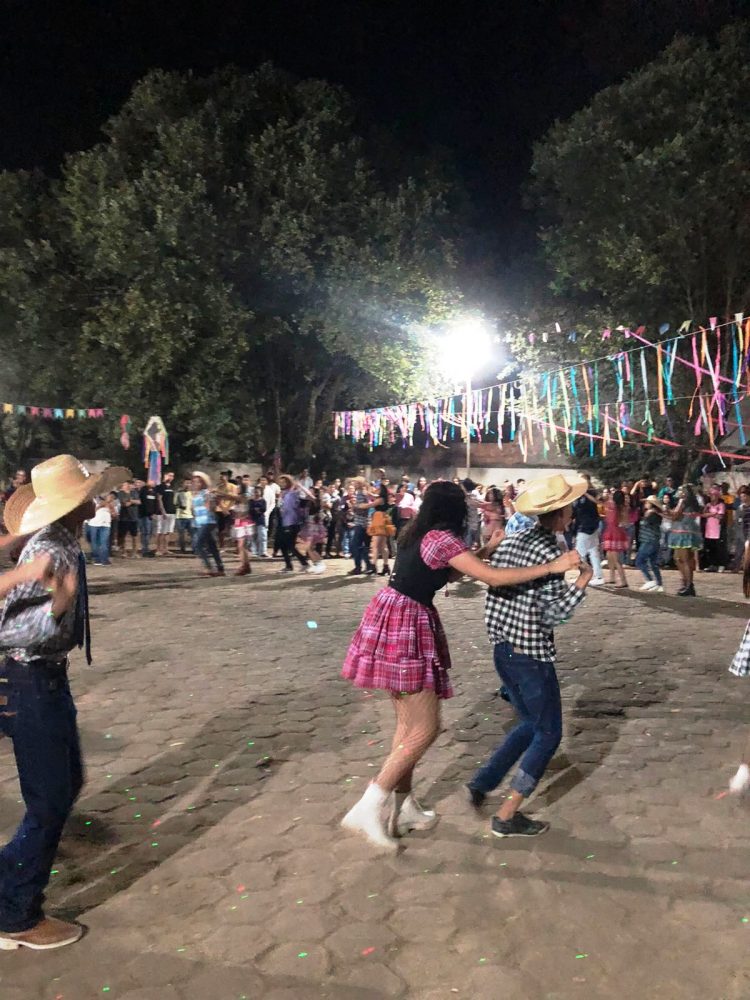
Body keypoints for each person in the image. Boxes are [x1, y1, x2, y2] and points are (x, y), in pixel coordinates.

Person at [339, 480, 581, 850]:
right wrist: (553, 566)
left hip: (395, 614)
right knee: (426, 729)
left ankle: (404, 806)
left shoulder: (420, 533)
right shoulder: (441, 539)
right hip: (406, 622)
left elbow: (453, 572)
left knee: (407, 726)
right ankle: (370, 804)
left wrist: (486, 550)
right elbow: (493, 578)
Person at [0, 454, 127, 950]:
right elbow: (10, 629)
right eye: (86, 493)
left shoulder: (54, 542)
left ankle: (13, 879)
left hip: (37, 680)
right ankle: (16, 913)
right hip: (30, 679)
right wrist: (57, 606)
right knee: (51, 797)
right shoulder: (56, 550)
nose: (95, 500)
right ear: (69, 506)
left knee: (65, 782)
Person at [466, 474, 591, 839]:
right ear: (564, 512)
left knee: (528, 723)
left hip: (503, 650)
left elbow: (490, 582)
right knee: (549, 733)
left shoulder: (513, 540)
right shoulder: (552, 553)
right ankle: (507, 815)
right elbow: (554, 615)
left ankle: (483, 782)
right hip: (531, 655)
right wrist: (582, 582)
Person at [668, 484, 703, 597]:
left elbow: (675, 515)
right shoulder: (690, 503)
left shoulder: (683, 501)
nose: (678, 492)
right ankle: (686, 583)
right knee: (679, 558)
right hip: (685, 531)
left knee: (684, 559)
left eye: (680, 490)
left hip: (683, 532)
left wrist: (664, 509)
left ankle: (688, 585)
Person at [190, 472, 225, 577]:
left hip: (208, 521)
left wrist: (209, 504)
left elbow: (211, 505)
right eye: (195, 482)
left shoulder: (205, 492)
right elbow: (193, 509)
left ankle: (208, 567)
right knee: (212, 546)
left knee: (198, 544)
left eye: (198, 482)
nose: (196, 484)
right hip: (200, 522)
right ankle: (220, 568)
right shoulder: (194, 494)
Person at [277, 475, 311, 573]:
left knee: (290, 545)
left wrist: (299, 486)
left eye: (284, 482)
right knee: (283, 545)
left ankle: (304, 563)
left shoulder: (293, 493)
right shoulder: (284, 493)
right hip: (284, 521)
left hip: (292, 522)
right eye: (281, 482)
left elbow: (304, 499)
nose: (282, 484)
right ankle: (289, 566)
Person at [572, 487, 605, 586]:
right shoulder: (581, 498)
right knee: (593, 553)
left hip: (585, 529)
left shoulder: (587, 497)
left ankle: (584, 576)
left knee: (580, 554)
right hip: (590, 528)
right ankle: (598, 576)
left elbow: (577, 515)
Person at [601, 489, 629, 587]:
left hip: (613, 533)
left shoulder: (612, 506)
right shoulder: (622, 507)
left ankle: (623, 581)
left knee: (615, 559)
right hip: (615, 532)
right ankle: (612, 578)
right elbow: (625, 522)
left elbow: (598, 501)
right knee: (609, 556)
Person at [635, 496, 663, 592]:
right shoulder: (654, 513)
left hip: (649, 541)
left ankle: (650, 580)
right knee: (653, 563)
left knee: (639, 561)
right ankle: (659, 584)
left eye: (647, 502)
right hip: (653, 541)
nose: (645, 503)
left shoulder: (652, 514)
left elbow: (647, 525)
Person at [348, 476, 375, 576]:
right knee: (363, 546)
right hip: (363, 522)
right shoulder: (363, 492)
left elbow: (363, 509)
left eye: (355, 483)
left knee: (355, 545)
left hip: (361, 523)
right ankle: (367, 566)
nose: (353, 484)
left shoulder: (361, 493)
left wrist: (354, 507)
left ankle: (359, 567)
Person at [701, 485, 726, 572]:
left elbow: (720, 516)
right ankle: (712, 564)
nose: (712, 497)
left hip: (717, 530)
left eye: (714, 495)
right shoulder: (708, 505)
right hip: (709, 530)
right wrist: (713, 514)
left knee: (719, 548)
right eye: (711, 495)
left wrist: (711, 514)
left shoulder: (721, 504)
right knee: (710, 548)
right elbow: (703, 514)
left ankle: (721, 564)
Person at [154, 471, 176, 557]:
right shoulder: (160, 486)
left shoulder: (172, 487)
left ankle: (165, 549)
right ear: (165, 476)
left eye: (172, 476)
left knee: (168, 531)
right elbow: (159, 499)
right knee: (160, 531)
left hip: (172, 512)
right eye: (169, 475)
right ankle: (158, 549)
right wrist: (163, 511)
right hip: (163, 513)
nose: (171, 477)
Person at [88, 495, 112, 566]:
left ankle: (104, 560)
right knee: (95, 543)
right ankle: (97, 559)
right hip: (94, 523)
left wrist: (107, 503)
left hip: (106, 523)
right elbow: (92, 511)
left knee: (103, 542)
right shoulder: (92, 500)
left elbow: (112, 510)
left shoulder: (108, 500)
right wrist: (102, 505)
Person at [138, 478, 159, 557]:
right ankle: (145, 549)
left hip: (151, 515)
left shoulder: (154, 491)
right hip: (144, 515)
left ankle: (147, 547)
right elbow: (143, 503)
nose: (152, 483)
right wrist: (148, 513)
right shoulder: (143, 491)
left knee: (150, 532)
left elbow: (156, 502)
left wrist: (155, 513)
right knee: (145, 532)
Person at [174, 477, 194, 554]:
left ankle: (194, 549)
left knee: (193, 534)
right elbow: (175, 504)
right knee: (181, 535)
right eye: (186, 483)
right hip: (180, 517)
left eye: (189, 483)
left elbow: (192, 505)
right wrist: (180, 505)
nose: (188, 485)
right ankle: (182, 549)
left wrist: (193, 514)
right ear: (183, 484)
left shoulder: (190, 493)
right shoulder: (178, 493)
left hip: (190, 517)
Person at [249, 486, 268, 558]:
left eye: (258, 491)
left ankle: (263, 551)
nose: (256, 493)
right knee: (253, 537)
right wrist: (256, 510)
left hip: (260, 520)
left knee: (262, 536)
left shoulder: (263, 501)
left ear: (261, 492)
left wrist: (257, 510)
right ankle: (255, 551)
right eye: (255, 491)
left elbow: (263, 509)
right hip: (252, 520)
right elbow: (250, 510)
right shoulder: (251, 501)